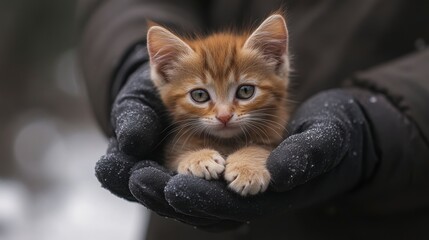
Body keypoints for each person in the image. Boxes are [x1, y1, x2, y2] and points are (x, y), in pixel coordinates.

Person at [78, 0, 429, 239]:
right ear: (164, 74)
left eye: (244, 92)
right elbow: (178, 151)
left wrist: (381, 124)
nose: (225, 114)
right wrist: (126, 61)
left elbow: (264, 146)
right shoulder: (181, 121)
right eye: (201, 96)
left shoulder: (270, 123)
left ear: (278, 62)